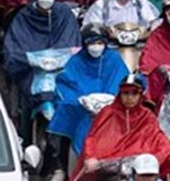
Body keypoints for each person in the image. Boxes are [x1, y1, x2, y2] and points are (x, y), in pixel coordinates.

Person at [58, 74, 170, 181]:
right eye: (126, 93)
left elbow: (157, 137)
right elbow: (92, 138)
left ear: (141, 94)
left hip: (137, 167)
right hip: (108, 168)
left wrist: (168, 151)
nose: (129, 98)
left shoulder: (147, 116)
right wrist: (91, 157)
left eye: (134, 93)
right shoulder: (107, 113)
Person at [3, 0, 81, 144]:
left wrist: (60, 58)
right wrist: (30, 59)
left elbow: (72, 42)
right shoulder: (23, 17)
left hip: (60, 69)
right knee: (22, 97)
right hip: (31, 70)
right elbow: (14, 48)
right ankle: (23, 136)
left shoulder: (64, 14)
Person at [47, 24, 129, 170]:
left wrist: (111, 99)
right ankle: (61, 167)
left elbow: (122, 80)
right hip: (81, 107)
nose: (95, 47)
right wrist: (82, 100)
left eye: (99, 43)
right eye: (91, 43)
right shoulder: (75, 61)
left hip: (111, 107)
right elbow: (65, 84)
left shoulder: (114, 59)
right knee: (66, 114)